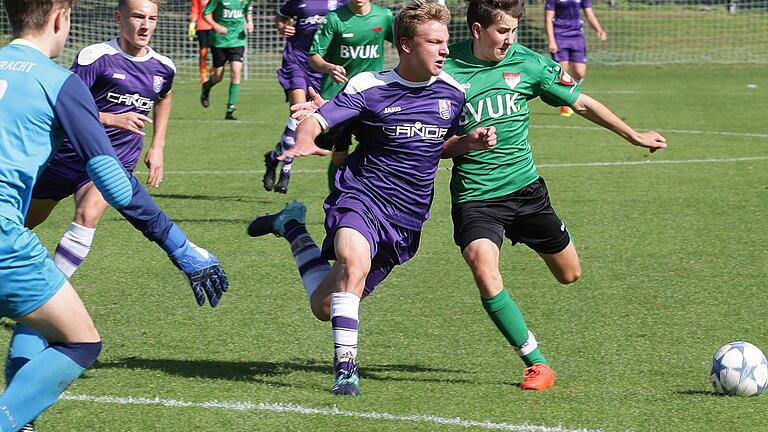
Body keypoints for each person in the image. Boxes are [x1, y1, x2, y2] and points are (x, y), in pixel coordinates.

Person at [248, 0, 496, 396]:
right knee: (353, 262)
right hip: (362, 196)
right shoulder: (369, 86)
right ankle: (346, 370)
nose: (445, 50)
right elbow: (319, 118)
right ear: (406, 45)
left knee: (325, 306)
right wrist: (307, 140)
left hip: (407, 216)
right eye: (434, 42)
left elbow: (439, 145)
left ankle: (291, 226)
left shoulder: (453, 94)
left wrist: (469, 141)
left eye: (446, 42)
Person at [0, 1, 228, 430]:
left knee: (38, 313)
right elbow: (113, 180)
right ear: (61, 18)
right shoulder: (60, 80)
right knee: (79, 342)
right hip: (4, 240)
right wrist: (179, 246)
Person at [442, 0, 666, 391]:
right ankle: (536, 363)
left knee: (569, 274)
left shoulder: (528, 63)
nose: (509, 40)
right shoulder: (444, 70)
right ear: (477, 30)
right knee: (482, 266)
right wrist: (465, 143)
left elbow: (580, 102)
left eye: (513, 31)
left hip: (526, 191)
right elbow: (431, 142)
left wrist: (634, 135)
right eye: (502, 32)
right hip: (476, 197)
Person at [27, 0, 174, 279]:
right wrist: (110, 118)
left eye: (152, 19)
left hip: (114, 160)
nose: (145, 25)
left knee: (88, 214)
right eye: (138, 17)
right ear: (119, 17)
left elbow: (164, 96)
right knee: (24, 223)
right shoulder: (96, 57)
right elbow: (65, 103)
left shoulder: (163, 67)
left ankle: (52, 294)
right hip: (70, 155)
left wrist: (158, 146)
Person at [302, 0, 394, 191]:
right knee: (339, 155)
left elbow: (405, 45)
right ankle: (335, 202)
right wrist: (329, 67)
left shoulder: (384, 16)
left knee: (377, 152)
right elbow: (314, 57)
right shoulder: (334, 19)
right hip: (339, 98)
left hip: (372, 98)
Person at [262, 0, 345, 194]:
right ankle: (286, 172)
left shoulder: (343, 3)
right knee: (298, 115)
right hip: (296, 61)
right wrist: (282, 26)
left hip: (324, 67)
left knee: (310, 122)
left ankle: (274, 157)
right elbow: (281, 16)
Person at [545, 0, 606, 117]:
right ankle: (566, 101)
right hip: (559, 35)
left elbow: (589, 13)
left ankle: (569, 93)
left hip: (577, 36)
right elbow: (548, 19)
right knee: (561, 71)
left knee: (580, 73)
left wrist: (599, 29)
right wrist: (551, 41)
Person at [200, 0, 253, 120]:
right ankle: (206, 87)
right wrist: (216, 26)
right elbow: (206, 13)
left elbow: (248, 10)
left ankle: (230, 109)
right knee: (218, 77)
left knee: (236, 71)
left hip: (238, 40)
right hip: (219, 41)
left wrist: (250, 22)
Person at [189, 0, 213, 85]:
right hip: (202, 26)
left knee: (216, 51)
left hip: (215, 26)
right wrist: (192, 23)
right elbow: (195, 9)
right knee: (203, 52)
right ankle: (203, 76)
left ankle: (213, 71)